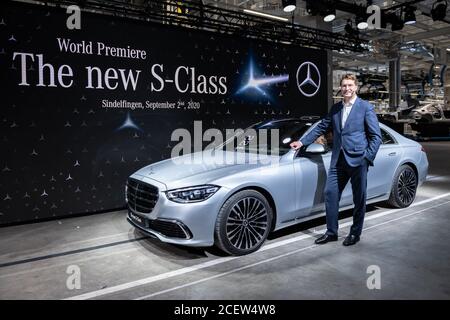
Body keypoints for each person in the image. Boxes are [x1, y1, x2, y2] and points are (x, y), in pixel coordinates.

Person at [290, 74, 382, 246]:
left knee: (359, 198)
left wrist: (367, 158)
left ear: (356, 87)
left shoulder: (365, 107)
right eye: (344, 86)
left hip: (358, 160)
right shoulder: (336, 108)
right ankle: (331, 232)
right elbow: (322, 127)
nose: (346, 88)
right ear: (341, 88)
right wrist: (302, 142)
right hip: (338, 160)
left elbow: (376, 137)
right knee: (330, 194)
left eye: (350, 85)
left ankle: (355, 233)